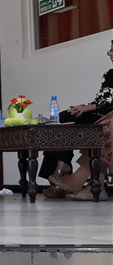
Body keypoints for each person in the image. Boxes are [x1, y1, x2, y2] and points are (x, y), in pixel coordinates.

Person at [44, 39, 113, 201]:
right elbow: (103, 100)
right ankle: (62, 167)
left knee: (105, 127)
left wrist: (92, 108)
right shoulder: (110, 74)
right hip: (102, 112)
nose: (110, 54)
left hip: (107, 115)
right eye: (110, 51)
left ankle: (85, 182)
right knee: (64, 117)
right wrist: (84, 107)